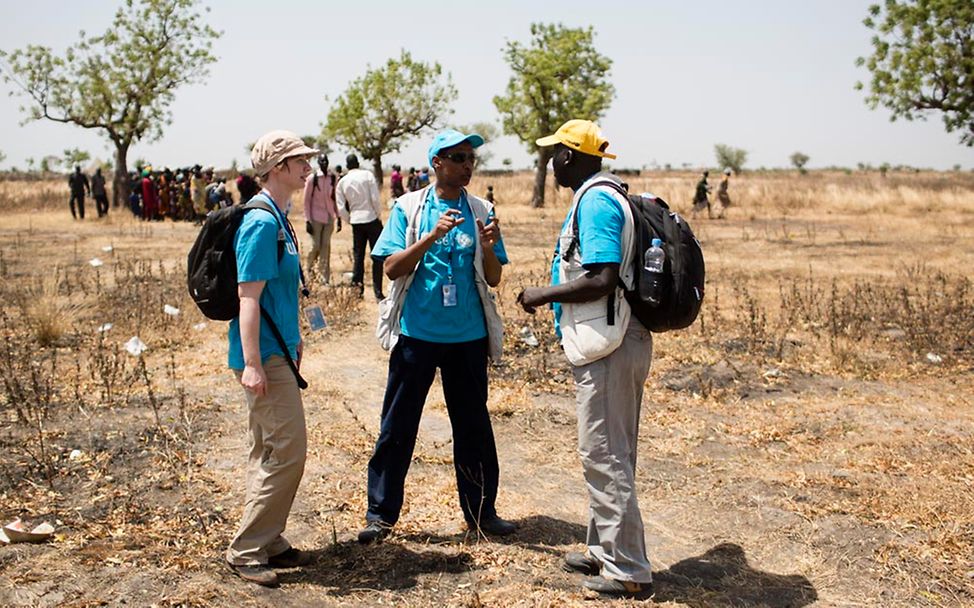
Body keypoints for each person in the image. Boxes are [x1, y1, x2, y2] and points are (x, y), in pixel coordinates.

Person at [516, 119, 654, 599]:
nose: (551, 162)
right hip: (619, 338)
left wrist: (541, 294)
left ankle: (629, 569)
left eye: (555, 153)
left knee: (604, 452)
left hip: (610, 344)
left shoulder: (595, 202)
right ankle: (604, 550)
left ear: (570, 157)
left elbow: (601, 278)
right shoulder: (606, 194)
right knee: (613, 449)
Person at [359, 128, 514, 544]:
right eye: (459, 157)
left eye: (471, 159)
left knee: (473, 426)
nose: (468, 165)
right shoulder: (410, 208)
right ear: (437, 163)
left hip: (467, 337)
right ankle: (381, 514)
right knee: (398, 425)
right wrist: (431, 237)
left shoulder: (481, 209)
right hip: (417, 335)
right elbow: (391, 268)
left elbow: (495, 277)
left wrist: (487, 247)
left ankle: (483, 513)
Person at [225, 129, 319, 587]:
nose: (307, 166)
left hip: (277, 348)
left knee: (266, 449)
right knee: (289, 452)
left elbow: (279, 294)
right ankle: (246, 549)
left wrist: (294, 339)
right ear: (278, 168)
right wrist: (253, 363)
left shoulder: (279, 217)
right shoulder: (261, 222)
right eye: (300, 160)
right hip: (262, 354)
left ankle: (270, 538)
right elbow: (248, 298)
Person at [336, 153, 384, 299]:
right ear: (358, 163)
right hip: (371, 218)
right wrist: (378, 215)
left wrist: (349, 219)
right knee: (377, 256)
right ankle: (377, 291)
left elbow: (340, 207)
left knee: (358, 256)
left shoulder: (343, 182)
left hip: (356, 221)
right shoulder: (367, 175)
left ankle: (358, 291)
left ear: (347, 165)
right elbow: (375, 199)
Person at [303, 154, 342, 284]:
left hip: (329, 217)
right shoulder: (312, 179)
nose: (324, 163)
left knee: (326, 246)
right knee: (315, 246)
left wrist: (339, 216)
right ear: (318, 163)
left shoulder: (332, 178)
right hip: (315, 217)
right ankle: (309, 271)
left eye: (326, 161)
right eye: (322, 161)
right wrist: (307, 220)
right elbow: (306, 201)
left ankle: (324, 278)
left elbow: (335, 198)